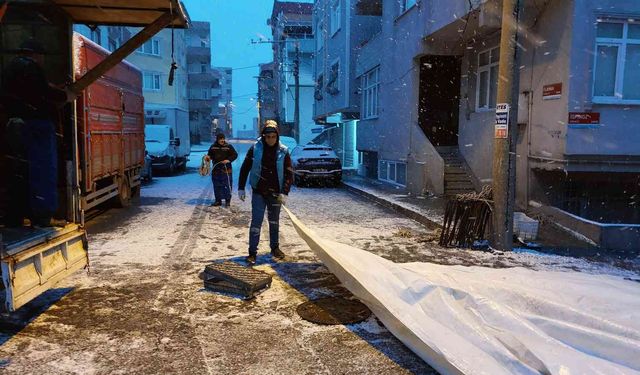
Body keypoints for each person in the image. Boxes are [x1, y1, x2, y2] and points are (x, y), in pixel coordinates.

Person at [1, 38, 75, 227]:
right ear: (36, 55)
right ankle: (42, 215)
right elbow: (42, 92)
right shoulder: (31, 67)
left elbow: (33, 90)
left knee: (18, 171)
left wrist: (51, 88)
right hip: (36, 125)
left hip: (14, 124)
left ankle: (15, 216)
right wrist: (65, 96)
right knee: (43, 169)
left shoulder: (10, 69)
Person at [237, 120, 293, 265]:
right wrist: (241, 187)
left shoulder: (283, 151)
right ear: (263, 136)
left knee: (274, 222)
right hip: (259, 191)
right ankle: (252, 252)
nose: (270, 140)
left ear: (277, 136)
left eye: (273, 136)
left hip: (275, 193)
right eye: (267, 137)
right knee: (256, 221)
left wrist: (285, 192)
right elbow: (245, 168)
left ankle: (275, 248)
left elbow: (288, 173)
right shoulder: (255, 149)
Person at [204, 133, 237, 207]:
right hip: (216, 169)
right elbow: (210, 155)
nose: (222, 140)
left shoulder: (228, 147)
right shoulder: (213, 147)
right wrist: (208, 158)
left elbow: (235, 155)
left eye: (223, 139)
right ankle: (218, 201)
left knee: (227, 185)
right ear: (217, 139)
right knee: (217, 185)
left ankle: (227, 201)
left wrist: (228, 160)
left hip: (226, 169)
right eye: (220, 139)